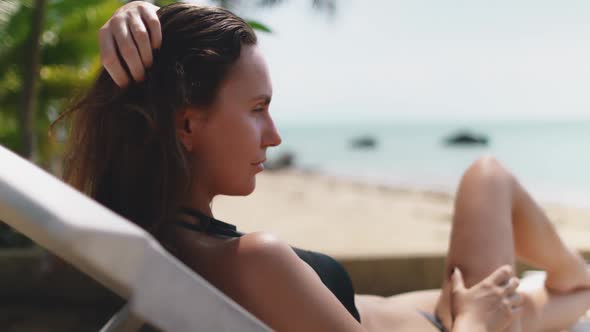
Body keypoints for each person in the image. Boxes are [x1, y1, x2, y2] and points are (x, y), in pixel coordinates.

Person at [55, 2, 590, 331]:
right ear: (187, 126)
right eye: (257, 110)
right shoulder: (254, 258)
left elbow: (145, 96)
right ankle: (574, 276)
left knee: (537, 277)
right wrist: (474, 323)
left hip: (417, 312)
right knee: (490, 178)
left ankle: (570, 281)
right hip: (452, 326)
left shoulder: (148, 228)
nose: (275, 134)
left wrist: (136, 18)